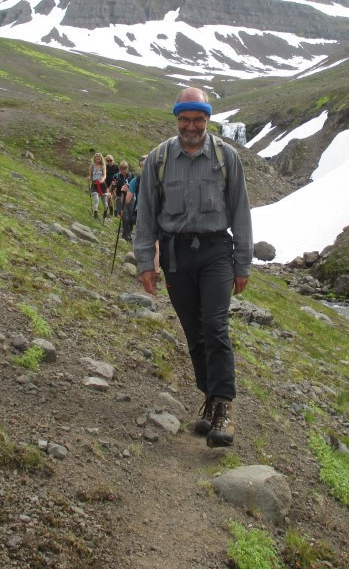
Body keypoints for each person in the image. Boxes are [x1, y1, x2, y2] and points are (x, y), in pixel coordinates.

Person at [133, 88, 252, 447]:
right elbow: (146, 215)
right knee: (193, 332)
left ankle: (224, 408)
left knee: (215, 326)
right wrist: (145, 263)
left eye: (198, 119)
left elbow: (241, 211)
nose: (191, 126)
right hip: (175, 255)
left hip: (216, 251)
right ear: (176, 119)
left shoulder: (226, 157)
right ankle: (209, 398)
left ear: (207, 120)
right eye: (185, 119)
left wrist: (242, 262)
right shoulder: (159, 158)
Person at [111, 161, 133, 228]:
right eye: (122, 169)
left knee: (129, 213)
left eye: (125, 168)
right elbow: (113, 187)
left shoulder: (131, 176)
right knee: (121, 213)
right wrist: (113, 187)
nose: (124, 170)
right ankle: (125, 226)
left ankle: (128, 227)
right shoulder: (116, 176)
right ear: (120, 169)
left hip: (129, 197)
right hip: (119, 196)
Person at [88, 152, 108, 219]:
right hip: (95, 185)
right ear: (94, 159)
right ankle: (95, 213)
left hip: (102, 185)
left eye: (99, 159)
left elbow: (105, 175)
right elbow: (91, 176)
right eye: (97, 159)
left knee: (104, 201)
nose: (98, 160)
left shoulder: (103, 167)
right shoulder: (91, 167)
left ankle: (105, 212)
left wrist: (102, 179)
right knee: (96, 199)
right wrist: (89, 178)